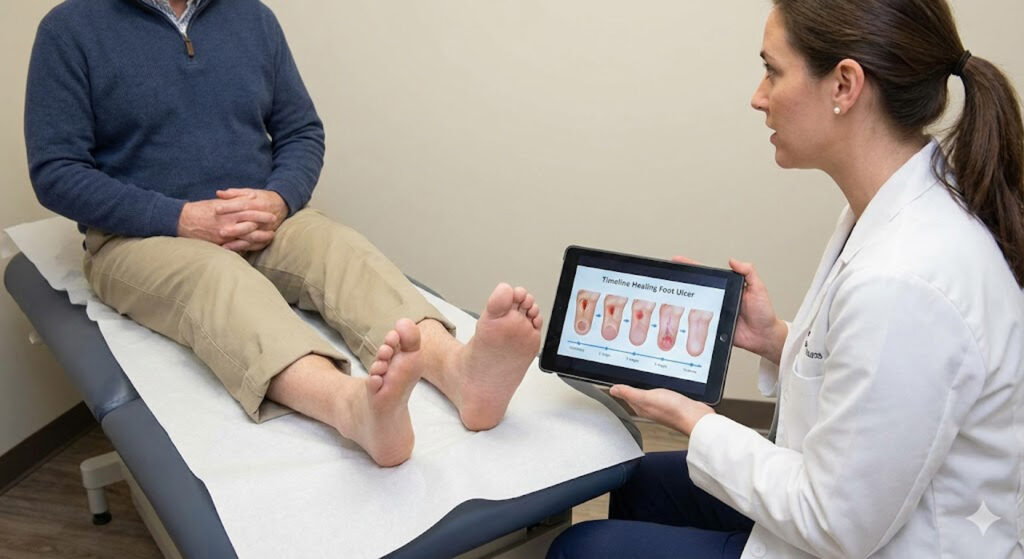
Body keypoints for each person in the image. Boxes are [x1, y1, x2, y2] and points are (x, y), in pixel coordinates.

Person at [548, 0, 1024, 556]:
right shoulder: (901, 204)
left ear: (844, 85)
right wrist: (774, 337)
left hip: (866, 538)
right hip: (858, 500)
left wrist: (695, 422)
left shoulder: (906, 278)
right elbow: (876, 375)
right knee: (642, 482)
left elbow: (835, 525)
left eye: (773, 70)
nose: (758, 96)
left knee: (582, 549)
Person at [24, 0, 543, 468]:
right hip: (139, 236)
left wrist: (279, 199)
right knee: (217, 277)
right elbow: (56, 172)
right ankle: (351, 407)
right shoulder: (70, 29)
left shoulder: (252, 18)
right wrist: (179, 218)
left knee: (338, 248)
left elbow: (301, 132)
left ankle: (461, 372)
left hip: (261, 217)